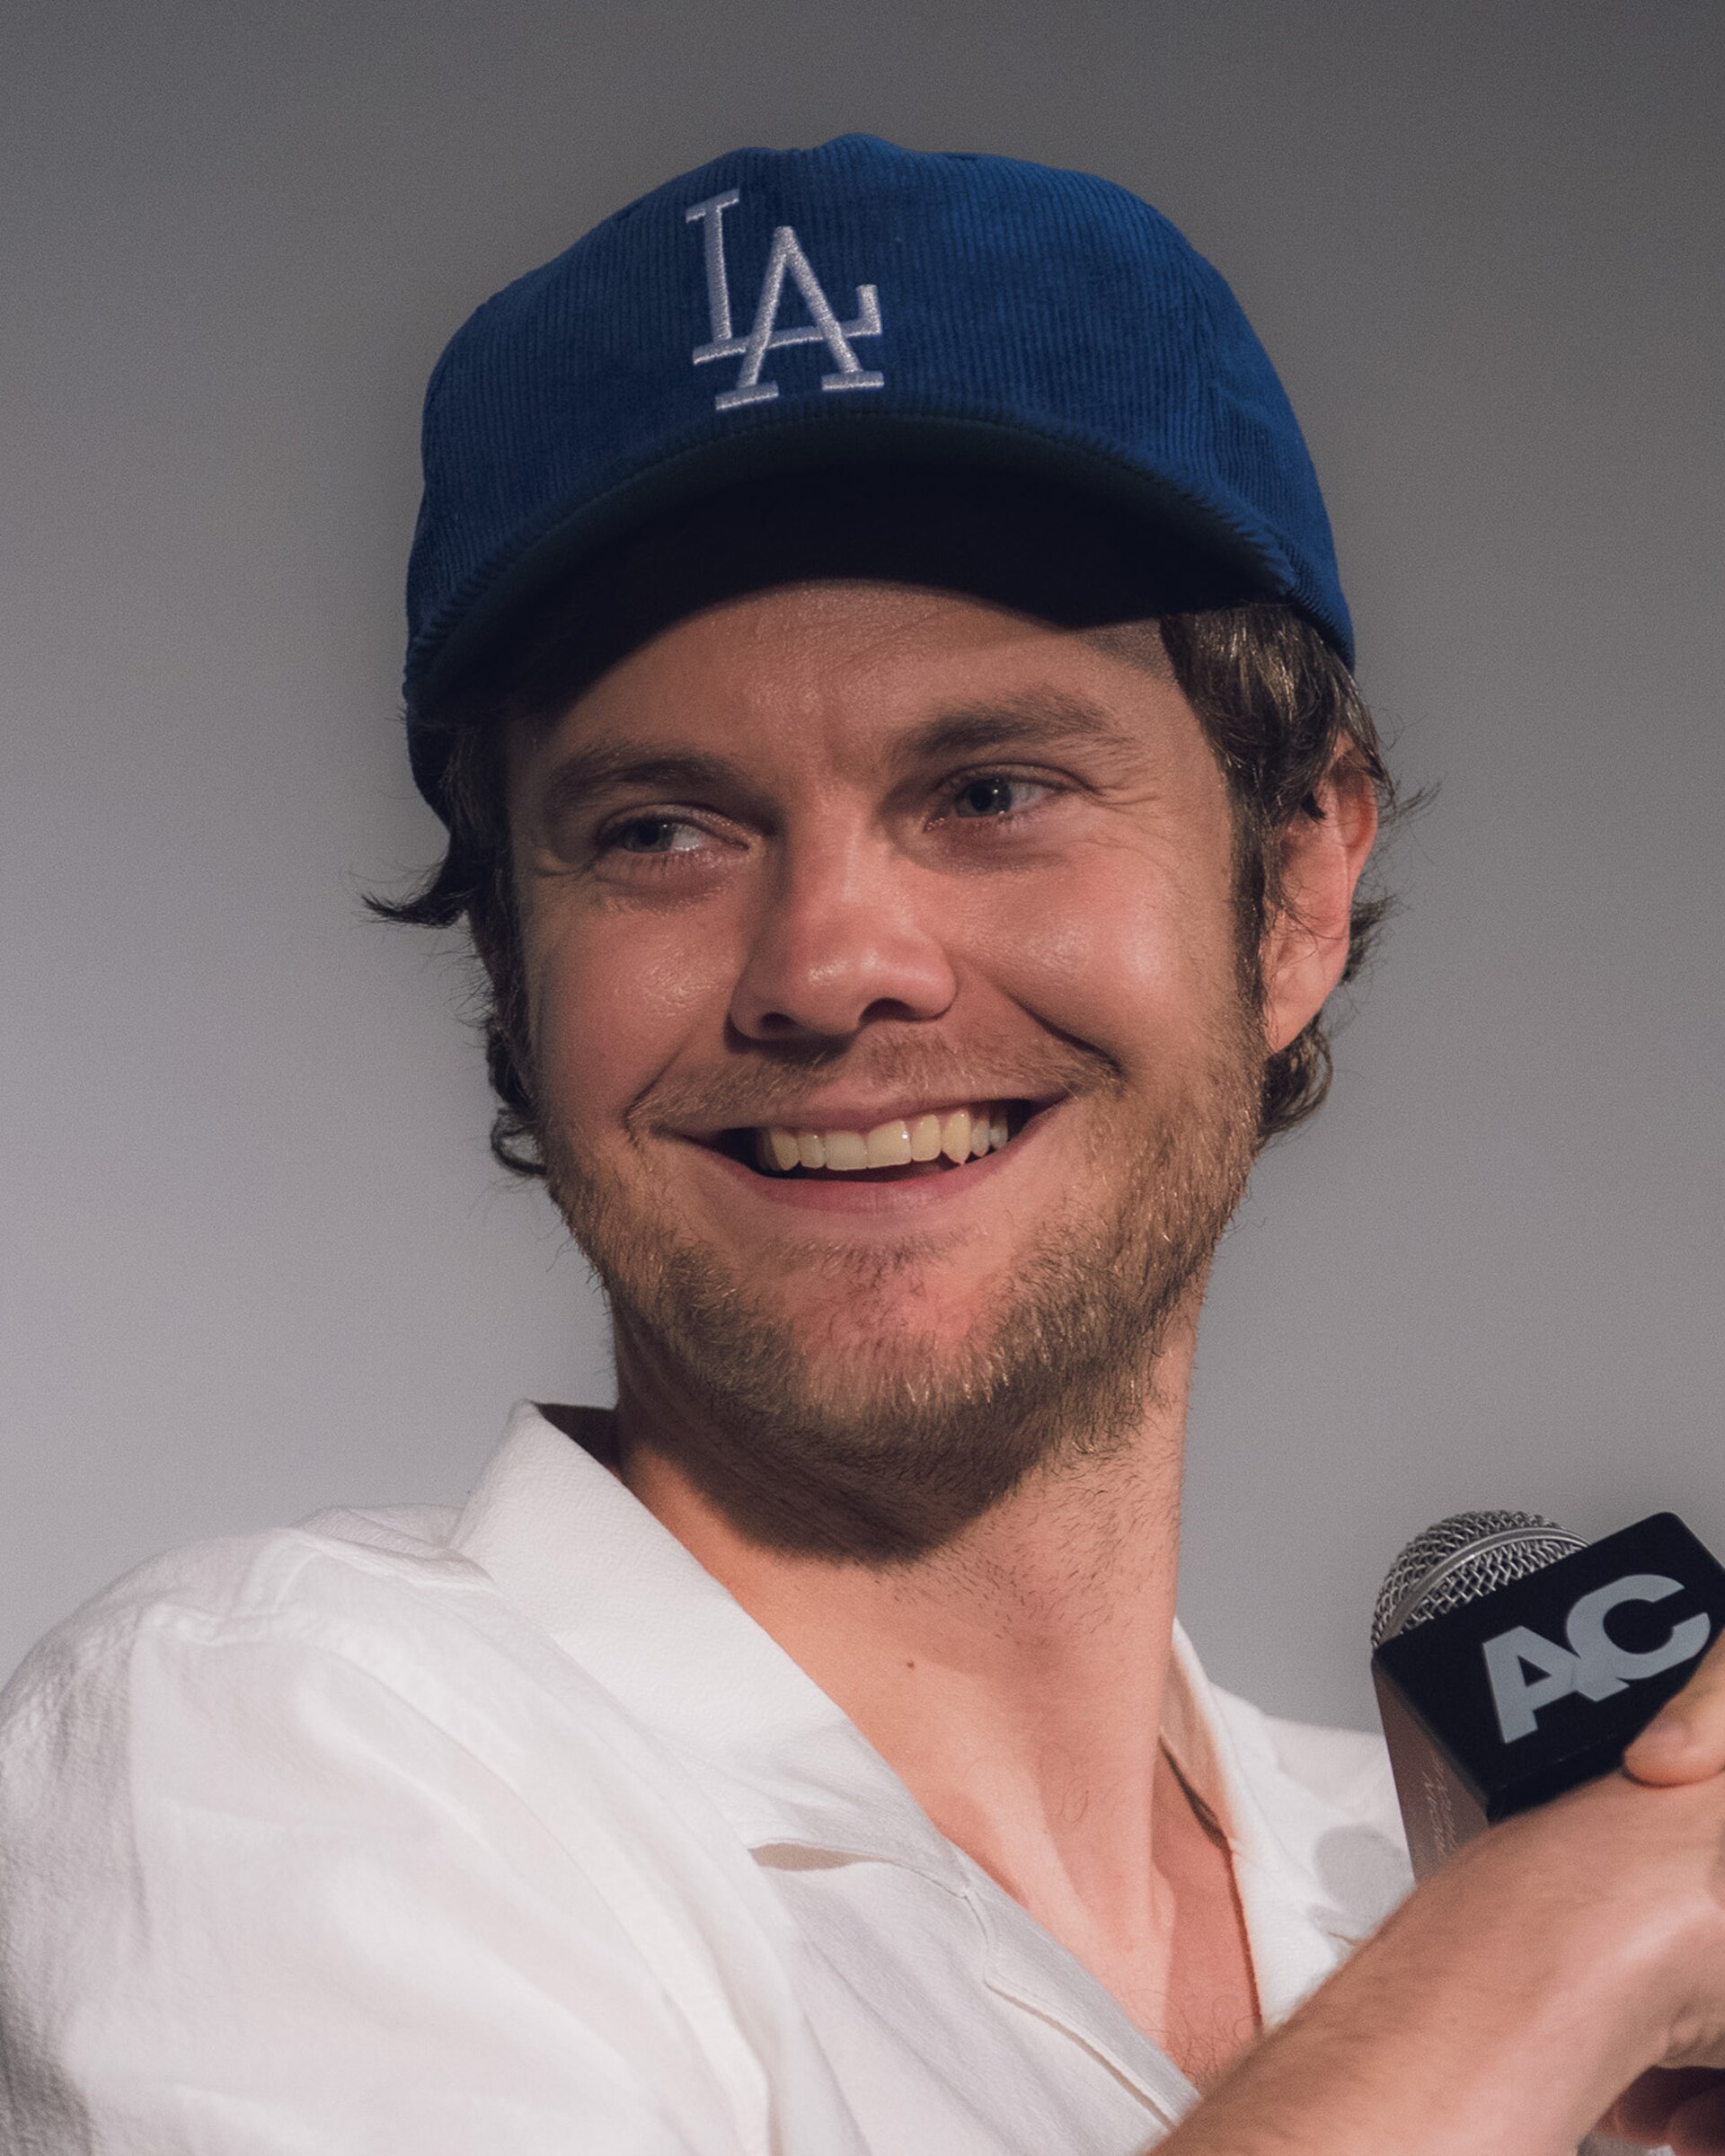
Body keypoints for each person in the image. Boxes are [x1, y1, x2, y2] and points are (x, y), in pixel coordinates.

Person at [3, 133, 1723, 2156]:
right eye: (660, 829)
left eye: (991, 788)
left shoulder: (1389, 1879)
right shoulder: (281, 1750)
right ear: (513, 965)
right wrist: (1575, 1940)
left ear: (1297, 890)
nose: (830, 967)